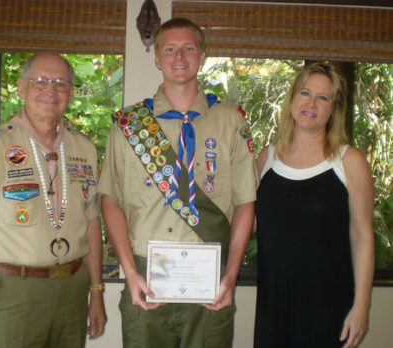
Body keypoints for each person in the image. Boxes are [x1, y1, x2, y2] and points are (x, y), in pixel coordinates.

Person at [98, 17, 257, 347]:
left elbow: (245, 202)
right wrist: (130, 272)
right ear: (157, 59)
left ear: (202, 57)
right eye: (169, 49)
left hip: (211, 274)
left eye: (188, 48)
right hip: (144, 272)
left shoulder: (232, 121)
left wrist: (230, 274)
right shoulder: (128, 125)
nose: (179, 57)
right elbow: (110, 200)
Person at [0, 52, 106, 348]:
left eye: (60, 83)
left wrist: (96, 291)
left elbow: (92, 223)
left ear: (70, 92)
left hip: (72, 289)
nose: (50, 90)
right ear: (21, 87)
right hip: (15, 291)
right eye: (40, 81)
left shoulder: (84, 149)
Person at [254, 62, 375, 348]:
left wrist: (361, 308)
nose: (311, 103)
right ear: (292, 98)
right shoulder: (266, 158)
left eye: (323, 97)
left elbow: (362, 237)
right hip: (273, 305)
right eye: (305, 93)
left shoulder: (349, 161)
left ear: (334, 108)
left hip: (328, 308)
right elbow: (249, 223)